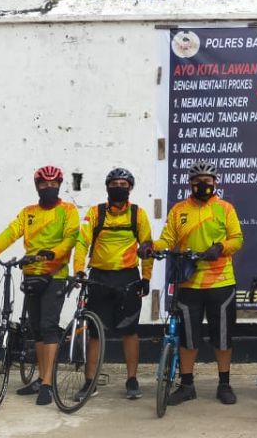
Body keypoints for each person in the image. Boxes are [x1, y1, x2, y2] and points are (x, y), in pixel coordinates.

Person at [140, 160, 244, 406]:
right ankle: (187, 386)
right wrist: (150, 247)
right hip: (188, 283)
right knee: (188, 338)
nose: (203, 185)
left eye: (207, 181)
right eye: (198, 182)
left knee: (222, 338)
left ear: (215, 183)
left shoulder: (225, 208)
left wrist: (220, 247)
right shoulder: (179, 210)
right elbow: (168, 238)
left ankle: (224, 384)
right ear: (190, 184)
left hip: (221, 283)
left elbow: (237, 239)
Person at [0, 165, 79, 407]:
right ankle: (42, 379)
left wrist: (51, 253)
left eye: (53, 184)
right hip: (31, 274)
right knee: (36, 329)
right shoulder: (28, 212)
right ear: (37, 186)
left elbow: (70, 239)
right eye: (43, 184)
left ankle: (47, 384)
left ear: (60, 185)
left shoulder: (68, 210)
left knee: (48, 326)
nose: (48, 188)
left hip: (54, 275)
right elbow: (11, 232)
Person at [72, 166, 152, 402]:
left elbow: (147, 247)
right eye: (114, 184)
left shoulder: (138, 214)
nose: (119, 188)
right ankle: (90, 382)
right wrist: (78, 270)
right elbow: (81, 242)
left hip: (128, 278)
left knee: (130, 331)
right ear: (107, 187)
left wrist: (146, 278)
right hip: (99, 277)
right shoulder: (95, 213)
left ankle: (132, 379)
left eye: (123, 185)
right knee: (95, 333)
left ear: (131, 188)